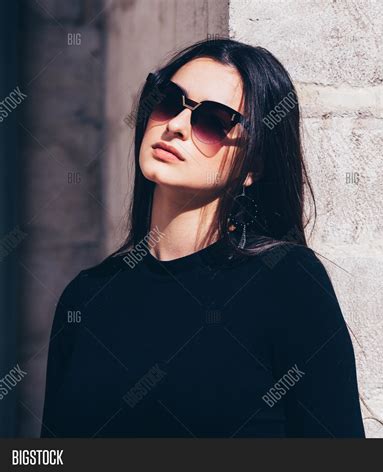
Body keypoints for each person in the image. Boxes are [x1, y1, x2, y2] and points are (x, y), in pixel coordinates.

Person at [41, 39, 365, 438]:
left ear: (253, 166)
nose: (176, 125)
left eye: (213, 121)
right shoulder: (85, 296)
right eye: (168, 100)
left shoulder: (286, 283)